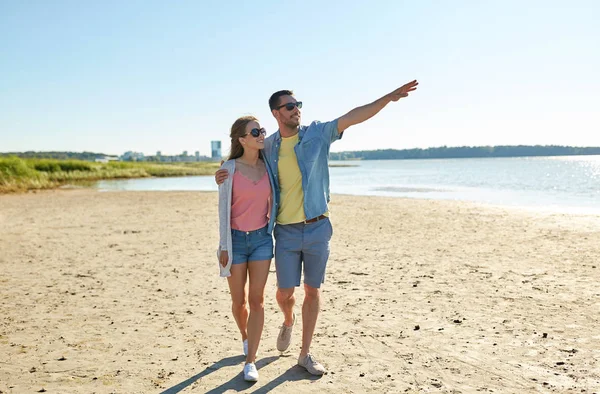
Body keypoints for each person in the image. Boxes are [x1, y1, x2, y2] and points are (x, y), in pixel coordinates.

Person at [216, 80, 419, 375]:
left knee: (313, 290)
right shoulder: (268, 145)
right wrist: (221, 173)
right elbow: (240, 163)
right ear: (276, 113)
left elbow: (353, 116)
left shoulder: (318, 134)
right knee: (285, 293)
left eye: (298, 105)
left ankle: (305, 354)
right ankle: (288, 320)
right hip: (284, 231)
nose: (296, 110)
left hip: (318, 227)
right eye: (289, 106)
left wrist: (386, 98)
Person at [217, 115, 277, 382]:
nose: (261, 135)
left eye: (262, 130)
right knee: (238, 301)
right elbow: (222, 211)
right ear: (242, 140)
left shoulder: (269, 167)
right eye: (255, 132)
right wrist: (223, 246)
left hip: (263, 239)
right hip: (235, 241)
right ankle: (245, 336)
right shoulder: (228, 170)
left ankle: (250, 360)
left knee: (257, 300)